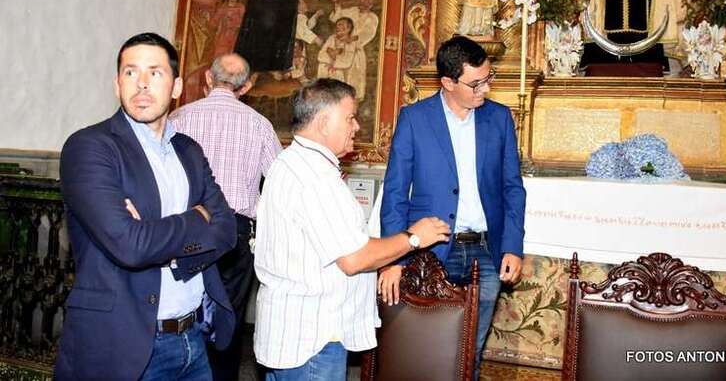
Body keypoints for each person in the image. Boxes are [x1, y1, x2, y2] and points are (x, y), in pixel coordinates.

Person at [56, 33, 237, 381]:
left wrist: (163, 246)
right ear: (117, 84)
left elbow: (226, 228)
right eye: (130, 72)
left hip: (193, 338)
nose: (141, 83)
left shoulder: (188, 150)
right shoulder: (90, 147)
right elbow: (131, 245)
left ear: (176, 87)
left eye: (154, 72)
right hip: (123, 345)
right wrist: (197, 218)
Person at [254, 78, 451, 380]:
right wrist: (414, 237)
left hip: (293, 332)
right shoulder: (316, 178)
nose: (356, 126)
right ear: (323, 122)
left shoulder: (290, 161)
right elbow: (354, 259)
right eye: (349, 118)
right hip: (314, 339)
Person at [378, 36, 526, 380]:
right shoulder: (414, 118)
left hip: (485, 253)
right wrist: (393, 259)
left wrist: (513, 247)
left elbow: (512, 188)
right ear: (448, 82)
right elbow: (395, 193)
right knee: (426, 349)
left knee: (469, 353)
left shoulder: (499, 118)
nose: (485, 89)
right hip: (430, 253)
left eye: (488, 79)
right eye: (476, 83)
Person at [170, 53, 282, 381]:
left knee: (182, 310)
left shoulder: (180, 118)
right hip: (236, 231)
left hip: (186, 227)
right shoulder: (259, 125)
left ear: (208, 77)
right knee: (227, 316)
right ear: (246, 87)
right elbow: (280, 182)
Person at [329, 0, 378, 99]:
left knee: (354, 77)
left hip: (356, 50)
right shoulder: (352, 10)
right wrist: (336, 4)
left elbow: (369, 33)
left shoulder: (372, 17)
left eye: (367, 1)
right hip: (342, 48)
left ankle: (353, 100)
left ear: (371, 4)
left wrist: (352, 39)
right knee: (340, 74)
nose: (364, 2)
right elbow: (337, 17)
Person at [316, 17, 359, 86]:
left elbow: (347, 62)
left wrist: (334, 59)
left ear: (348, 28)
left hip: (338, 75)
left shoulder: (351, 43)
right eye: (337, 25)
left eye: (341, 24)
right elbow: (320, 56)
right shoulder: (331, 38)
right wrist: (331, 54)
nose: (337, 27)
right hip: (323, 72)